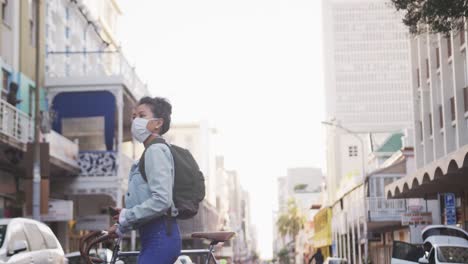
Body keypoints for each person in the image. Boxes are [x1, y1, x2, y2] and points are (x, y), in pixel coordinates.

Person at [107, 96, 181, 264]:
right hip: (154, 237)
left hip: (160, 236)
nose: (135, 122)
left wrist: (127, 215)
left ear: (157, 123)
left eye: (141, 116)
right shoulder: (149, 153)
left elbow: (162, 200)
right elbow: (147, 203)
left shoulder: (155, 151)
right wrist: (121, 226)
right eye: (133, 117)